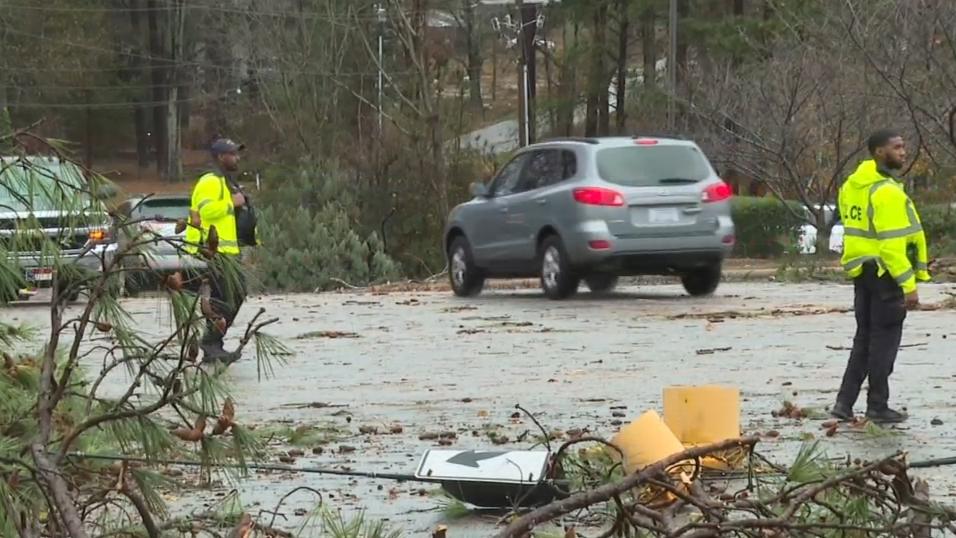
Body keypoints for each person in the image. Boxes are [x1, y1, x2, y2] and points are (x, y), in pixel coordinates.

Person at [830, 129, 930, 424]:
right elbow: (891, 244)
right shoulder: (886, 191)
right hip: (887, 275)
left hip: (863, 271)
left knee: (863, 339)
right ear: (878, 152)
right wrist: (909, 285)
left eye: (903, 146)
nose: (903, 152)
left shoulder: (852, 186)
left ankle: (843, 404)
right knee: (883, 344)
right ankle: (878, 406)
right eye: (897, 147)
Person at [184, 138, 249, 364]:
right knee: (229, 297)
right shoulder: (210, 181)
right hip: (214, 251)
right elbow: (206, 211)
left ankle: (213, 344)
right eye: (232, 154)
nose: (237, 158)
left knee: (233, 295)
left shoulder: (225, 182)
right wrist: (234, 202)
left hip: (227, 251)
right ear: (221, 157)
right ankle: (211, 344)